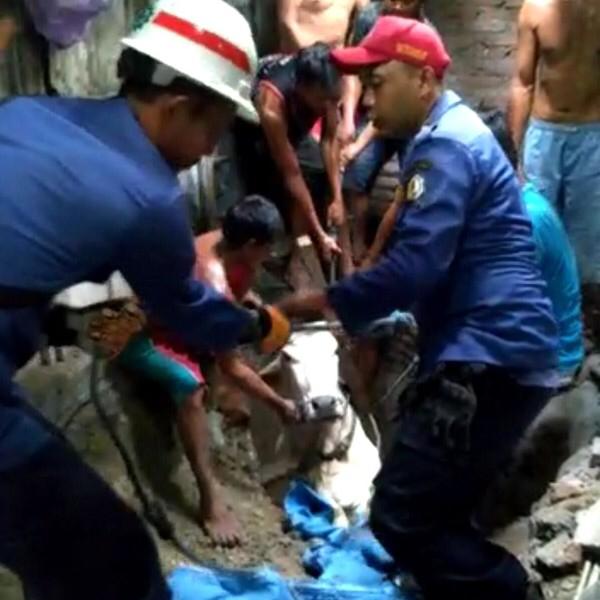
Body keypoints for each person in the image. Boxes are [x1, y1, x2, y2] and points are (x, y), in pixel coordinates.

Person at [0, 2, 290, 599]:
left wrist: (62, 324)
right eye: (214, 130)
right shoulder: (152, 199)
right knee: (116, 559)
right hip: (124, 338)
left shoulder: (26, 114)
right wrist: (262, 326)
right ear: (180, 107)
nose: (209, 152)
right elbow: (194, 315)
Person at [278, 17, 558, 600]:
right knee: (437, 509)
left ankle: (510, 590)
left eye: (379, 82)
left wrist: (321, 301)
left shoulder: (445, 147)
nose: (368, 99)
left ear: (425, 79)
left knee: (401, 513)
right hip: (501, 352)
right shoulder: (447, 139)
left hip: (489, 355)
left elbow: (414, 267)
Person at [118, 196, 299, 547]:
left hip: (178, 319)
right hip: (135, 331)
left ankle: (213, 405)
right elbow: (233, 367)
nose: (271, 254)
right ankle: (209, 497)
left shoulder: (221, 240)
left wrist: (249, 308)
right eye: (267, 248)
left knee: (216, 356)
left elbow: (236, 295)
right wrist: (279, 405)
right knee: (192, 387)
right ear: (251, 244)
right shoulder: (214, 287)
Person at [508, 0, 600, 341]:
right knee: (536, 227)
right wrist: (515, 152)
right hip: (544, 134)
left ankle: (580, 328)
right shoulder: (536, 8)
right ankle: (536, 319)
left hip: (592, 134)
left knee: (587, 237)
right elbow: (522, 83)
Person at [235, 43, 350, 270]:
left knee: (318, 173)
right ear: (303, 88)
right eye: (323, 100)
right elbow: (292, 173)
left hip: (296, 120)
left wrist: (337, 198)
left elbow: (329, 141)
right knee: (269, 185)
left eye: (333, 100)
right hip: (254, 128)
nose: (329, 107)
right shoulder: (272, 102)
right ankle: (281, 254)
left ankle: (318, 252)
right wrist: (319, 233)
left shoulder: (328, 82)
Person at [340, 0, 427, 263]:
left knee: (416, 186)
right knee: (357, 175)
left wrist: (357, 145)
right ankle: (358, 240)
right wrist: (349, 118)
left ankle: (404, 243)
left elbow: (394, 109)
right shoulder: (370, 18)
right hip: (379, 114)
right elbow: (355, 73)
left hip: (407, 119)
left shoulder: (422, 35)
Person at [277, 0, 369, 53]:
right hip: (301, 57)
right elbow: (287, 23)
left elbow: (367, 17)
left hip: (339, 56)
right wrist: (308, 52)